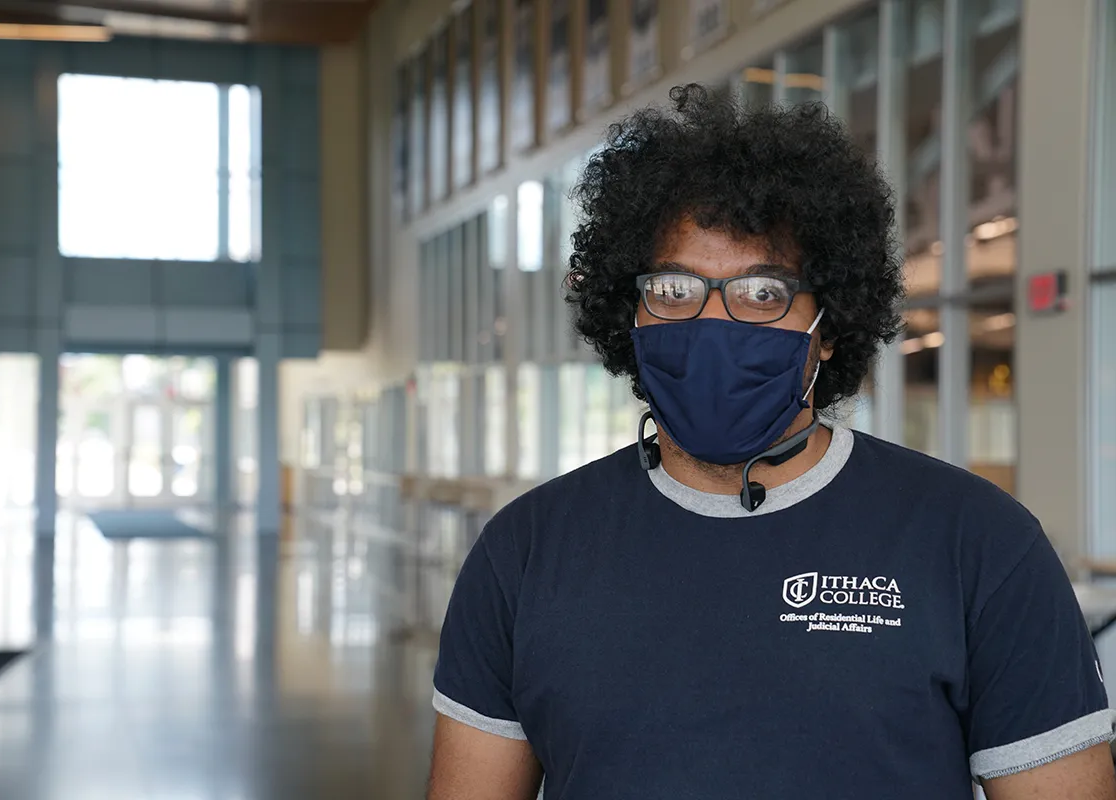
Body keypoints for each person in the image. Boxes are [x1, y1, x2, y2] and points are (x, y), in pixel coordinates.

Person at [426, 84, 1116, 799]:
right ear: (627, 312)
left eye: (763, 293)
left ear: (832, 326)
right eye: (673, 288)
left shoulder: (979, 544)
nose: (713, 322)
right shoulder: (525, 553)